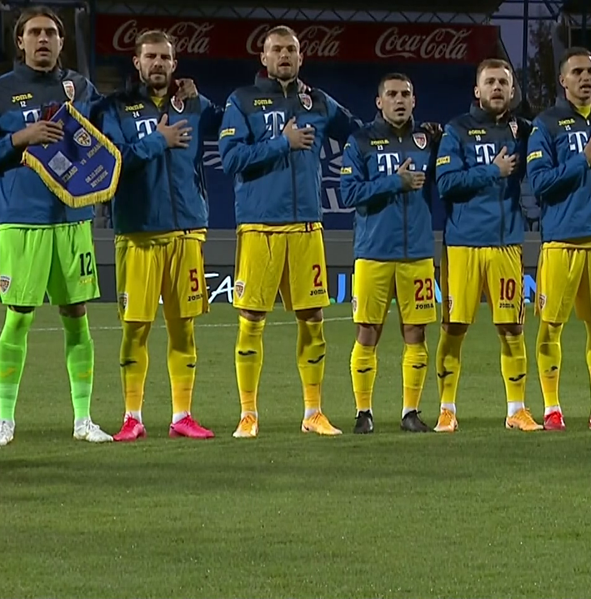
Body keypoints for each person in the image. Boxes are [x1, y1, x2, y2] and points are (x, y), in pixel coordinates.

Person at [0, 6, 112, 446]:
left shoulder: (80, 88)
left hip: (73, 218)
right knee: (19, 318)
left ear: (62, 43)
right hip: (21, 221)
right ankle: (4, 421)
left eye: (51, 33)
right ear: (20, 42)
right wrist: (18, 140)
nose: (43, 39)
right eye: (34, 33)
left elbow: (104, 140)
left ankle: (83, 420)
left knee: (77, 316)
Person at [218, 25, 361, 439]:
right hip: (259, 226)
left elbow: (357, 132)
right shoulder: (241, 101)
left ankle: (313, 412)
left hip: (307, 227)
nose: (284, 55)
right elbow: (231, 159)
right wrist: (283, 143)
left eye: (291, 50)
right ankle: (248, 414)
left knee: (313, 319)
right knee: (251, 321)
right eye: (276, 49)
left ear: (301, 57)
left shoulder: (315, 100)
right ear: (263, 58)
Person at [97, 29, 221, 441]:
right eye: (150, 56)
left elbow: (228, 127)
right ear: (137, 62)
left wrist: (201, 96)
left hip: (187, 230)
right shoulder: (115, 108)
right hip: (138, 232)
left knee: (184, 327)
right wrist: (157, 140)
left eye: (164, 57)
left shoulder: (194, 105)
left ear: (174, 63)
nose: (157, 64)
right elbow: (111, 161)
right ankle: (132, 417)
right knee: (137, 328)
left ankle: (182, 416)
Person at [432, 59, 543, 432]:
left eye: (504, 82)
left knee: (512, 327)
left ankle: (517, 410)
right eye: (490, 82)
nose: (497, 88)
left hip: (507, 244)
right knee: (454, 327)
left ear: (513, 92)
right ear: (477, 91)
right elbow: (445, 183)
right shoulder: (456, 130)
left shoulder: (524, 131)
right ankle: (447, 408)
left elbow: (554, 133)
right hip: (463, 245)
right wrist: (492, 171)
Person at [526, 46, 591, 431]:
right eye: (578, 72)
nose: (586, 78)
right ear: (563, 80)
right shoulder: (545, 124)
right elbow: (538, 183)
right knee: (551, 326)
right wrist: (582, 161)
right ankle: (552, 409)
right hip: (562, 241)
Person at [340, 73, 441, 434]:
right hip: (373, 253)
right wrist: (393, 182)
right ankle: (363, 412)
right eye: (392, 94)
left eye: (406, 94)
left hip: (417, 254)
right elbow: (348, 193)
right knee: (368, 332)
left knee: (416, 333)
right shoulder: (361, 141)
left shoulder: (428, 141)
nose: (400, 100)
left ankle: (410, 412)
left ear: (414, 100)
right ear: (379, 102)